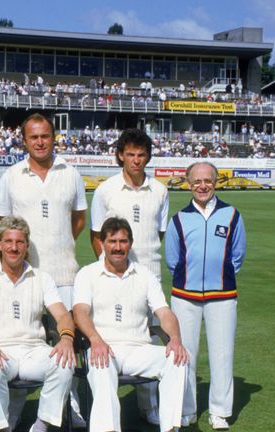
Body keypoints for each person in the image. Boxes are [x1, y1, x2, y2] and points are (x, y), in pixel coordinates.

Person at [0, 112, 86, 428]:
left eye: (45, 135)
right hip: (24, 276)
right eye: (34, 137)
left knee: (66, 344)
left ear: (53, 137)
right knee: (24, 343)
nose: (40, 142)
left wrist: (57, 245)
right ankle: (14, 411)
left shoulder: (70, 173)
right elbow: (0, 223)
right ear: (25, 140)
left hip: (65, 275)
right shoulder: (11, 175)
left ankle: (70, 409)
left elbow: (78, 221)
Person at [73, 217, 189, 432]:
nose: (118, 247)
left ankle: (170, 428)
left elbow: (164, 312)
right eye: (112, 241)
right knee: (100, 364)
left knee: (178, 358)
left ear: (131, 243)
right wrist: (95, 340)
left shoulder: (145, 275)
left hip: (139, 348)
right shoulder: (87, 274)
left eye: (123, 241)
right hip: (103, 347)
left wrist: (175, 339)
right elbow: (80, 313)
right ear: (102, 243)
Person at [0, 216, 75, 432]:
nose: (14, 248)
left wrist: (67, 339)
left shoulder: (42, 278)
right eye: (8, 242)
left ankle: (41, 426)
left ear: (26, 245)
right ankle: (2, 428)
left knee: (65, 363)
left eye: (19, 242)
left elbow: (62, 316)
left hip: (35, 350)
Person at [89, 128, 169, 425]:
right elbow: (97, 235)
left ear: (148, 156)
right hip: (112, 278)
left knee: (148, 341)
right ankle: (104, 412)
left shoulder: (160, 190)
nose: (136, 160)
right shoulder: (105, 189)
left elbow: (158, 233)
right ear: (121, 155)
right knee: (113, 335)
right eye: (130, 154)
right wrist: (109, 267)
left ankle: (149, 406)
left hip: (150, 277)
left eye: (142, 155)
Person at [165, 162, 246, 430]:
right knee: (184, 355)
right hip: (184, 296)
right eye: (197, 181)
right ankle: (186, 409)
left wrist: (219, 277)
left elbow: (238, 256)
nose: (202, 186)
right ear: (189, 184)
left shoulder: (232, 215)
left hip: (222, 296)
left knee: (222, 355)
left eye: (208, 181)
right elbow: (172, 260)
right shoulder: (178, 218)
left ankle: (219, 412)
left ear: (215, 182)